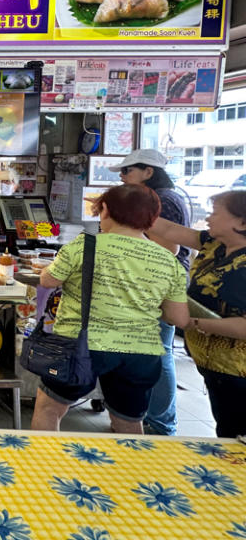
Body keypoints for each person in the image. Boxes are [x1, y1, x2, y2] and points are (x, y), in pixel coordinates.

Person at [31, 184, 189, 434]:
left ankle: (44, 469)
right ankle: (131, 472)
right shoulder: (168, 261)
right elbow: (178, 317)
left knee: (49, 410)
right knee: (128, 421)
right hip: (139, 351)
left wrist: (46, 269)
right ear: (152, 218)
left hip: (81, 346)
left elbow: (48, 281)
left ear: (104, 210)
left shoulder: (84, 246)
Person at [149, 190, 246, 438]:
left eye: (215, 213)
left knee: (235, 436)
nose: (209, 219)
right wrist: (125, 208)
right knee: (226, 429)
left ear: (241, 222)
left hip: (237, 371)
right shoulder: (214, 244)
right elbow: (169, 231)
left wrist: (193, 322)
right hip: (214, 367)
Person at [110, 149, 191, 435]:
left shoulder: (162, 201)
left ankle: (160, 423)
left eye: (127, 171)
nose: (122, 177)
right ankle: (150, 419)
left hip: (158, 285)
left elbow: (167, 247)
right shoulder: (166, 197)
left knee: (159, 352)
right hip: (154, 284)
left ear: (148, 172)